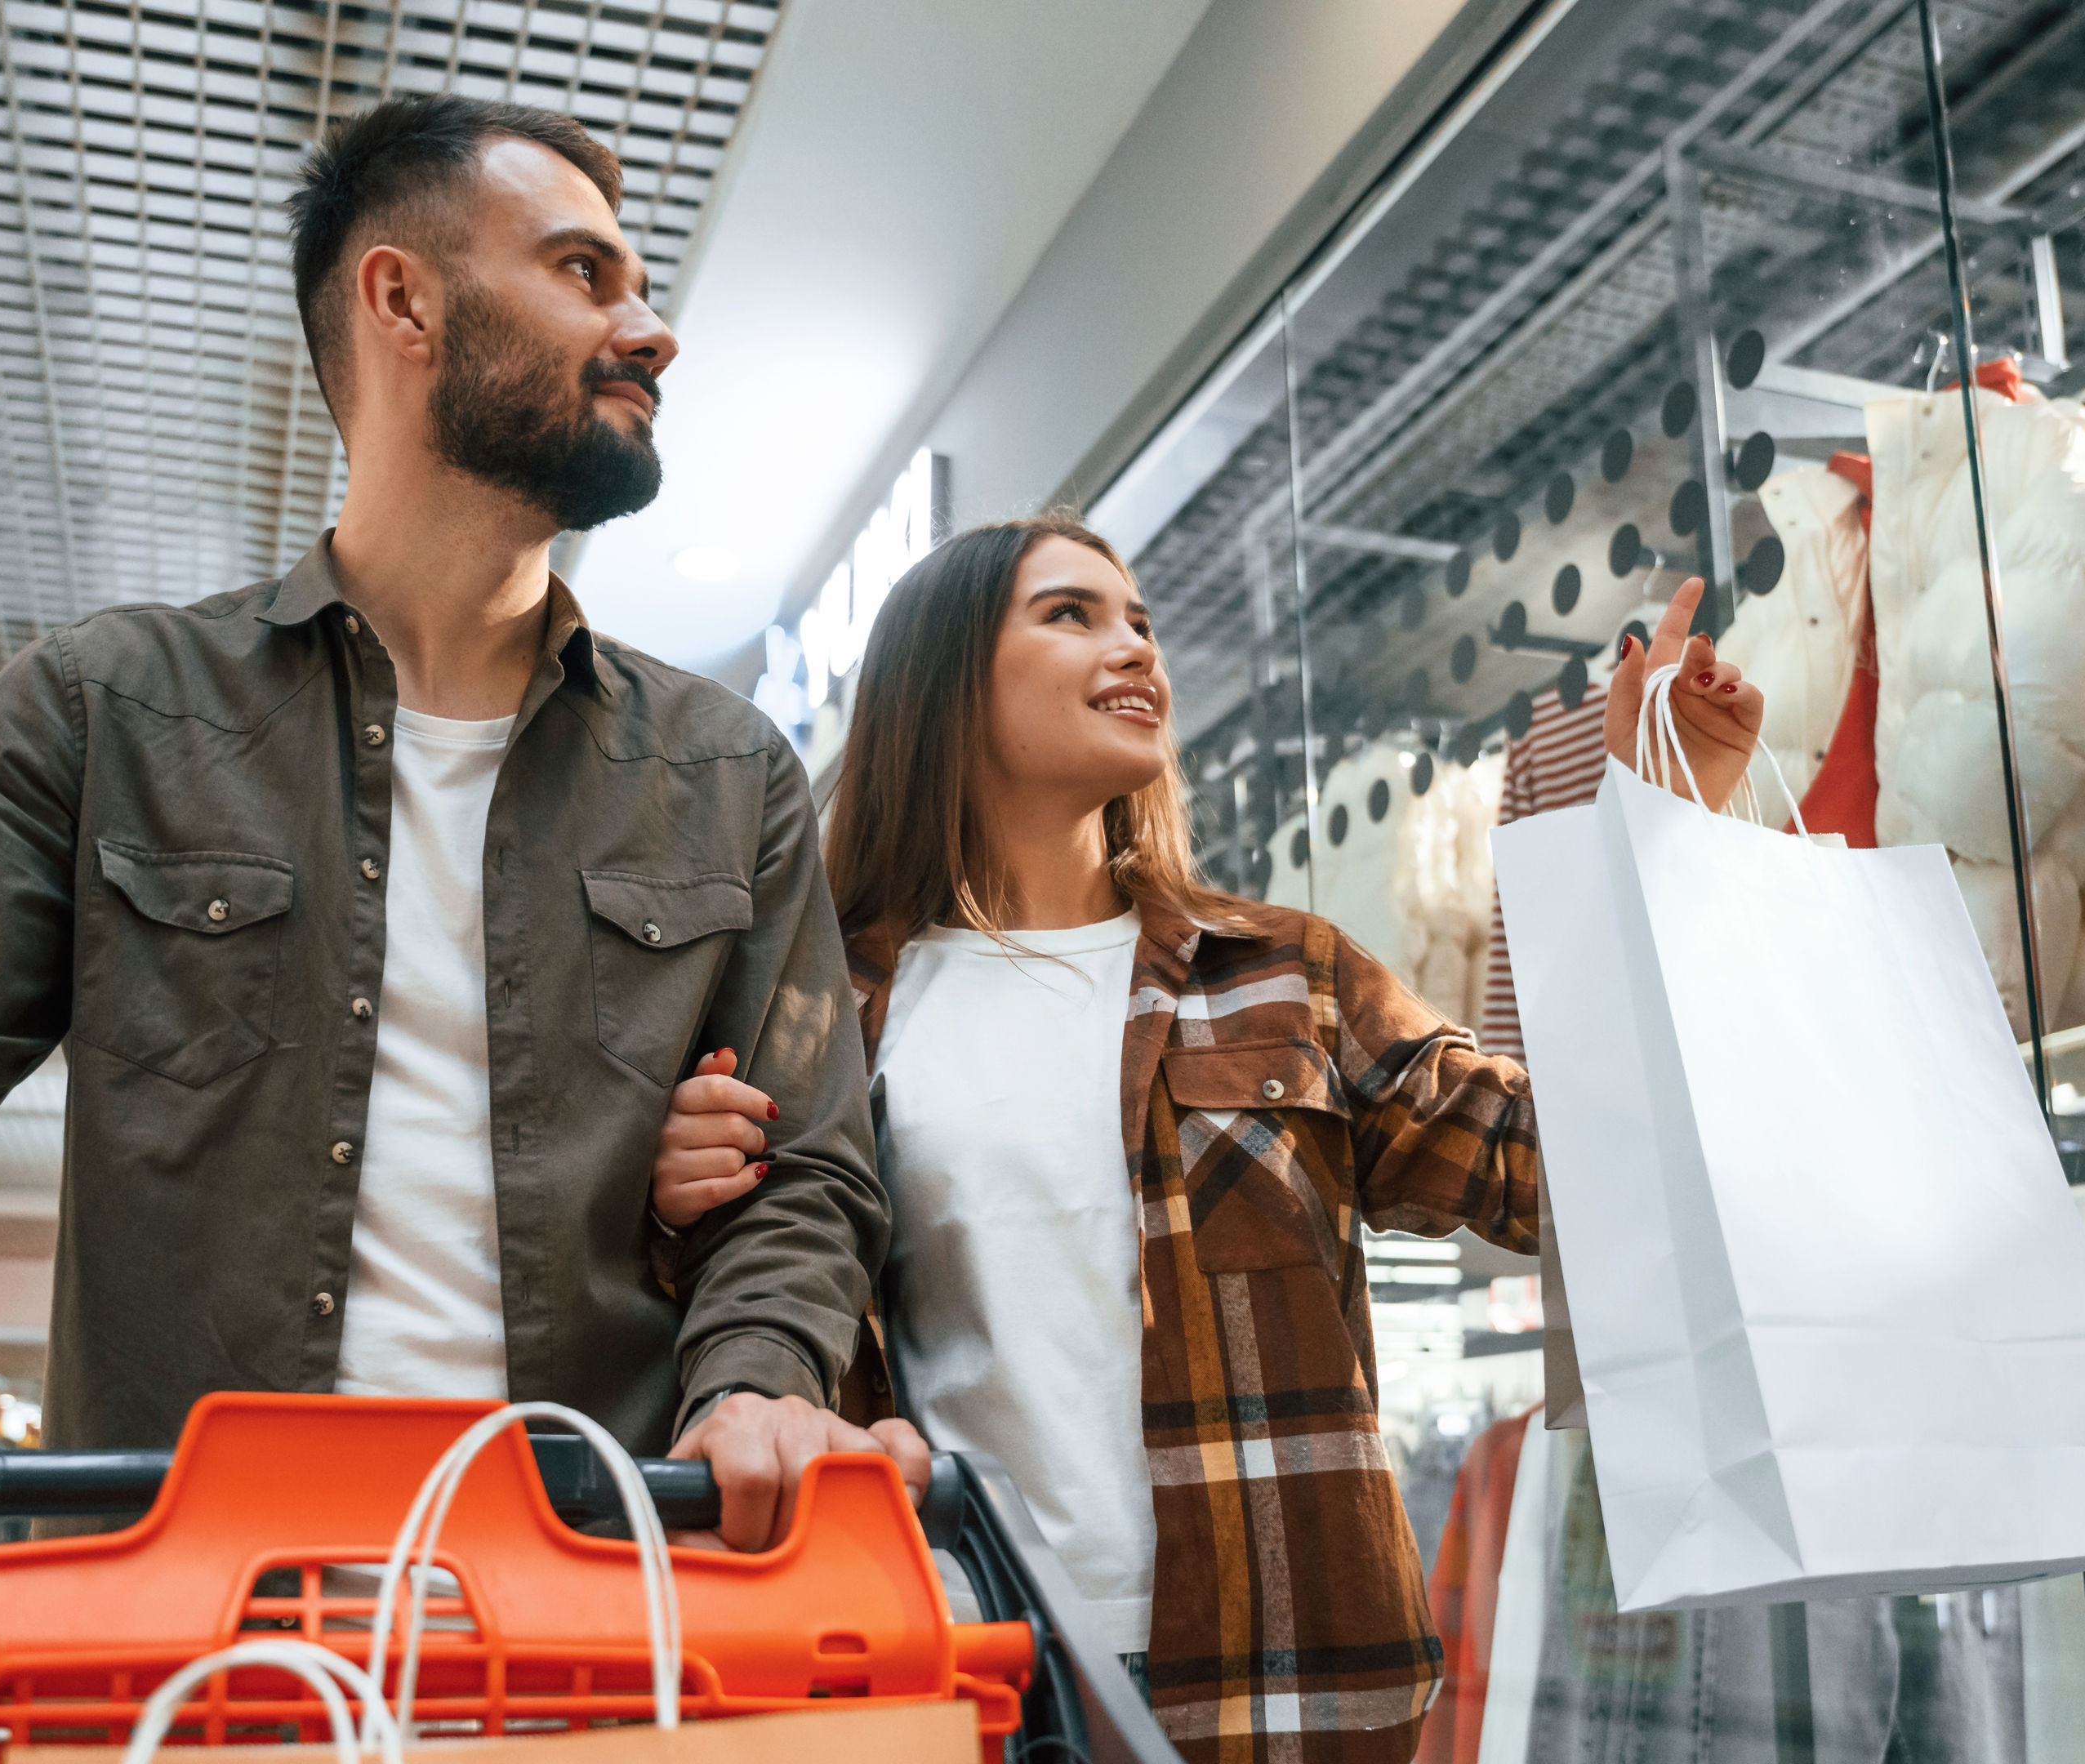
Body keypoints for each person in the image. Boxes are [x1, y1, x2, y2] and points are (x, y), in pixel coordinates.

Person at [0, 92, 915, 1556]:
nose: (651, 330)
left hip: (595, 1609)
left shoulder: (725, 771)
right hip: (187, 1611)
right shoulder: (107, 709)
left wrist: (757, 1383)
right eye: (586, 274)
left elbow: (809, 1170)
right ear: (404, 299)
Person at [648, 514, 1762, 1760]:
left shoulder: (1283, 975)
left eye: (1140, 621)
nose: (1134, 648)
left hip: (1285, 1674)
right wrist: (678, 1202)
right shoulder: (832, 1009)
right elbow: (748, 1320)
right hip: (959, 1652)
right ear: (946, 679)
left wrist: (1665, 838)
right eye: (1070, 614)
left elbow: (1555, 1172)